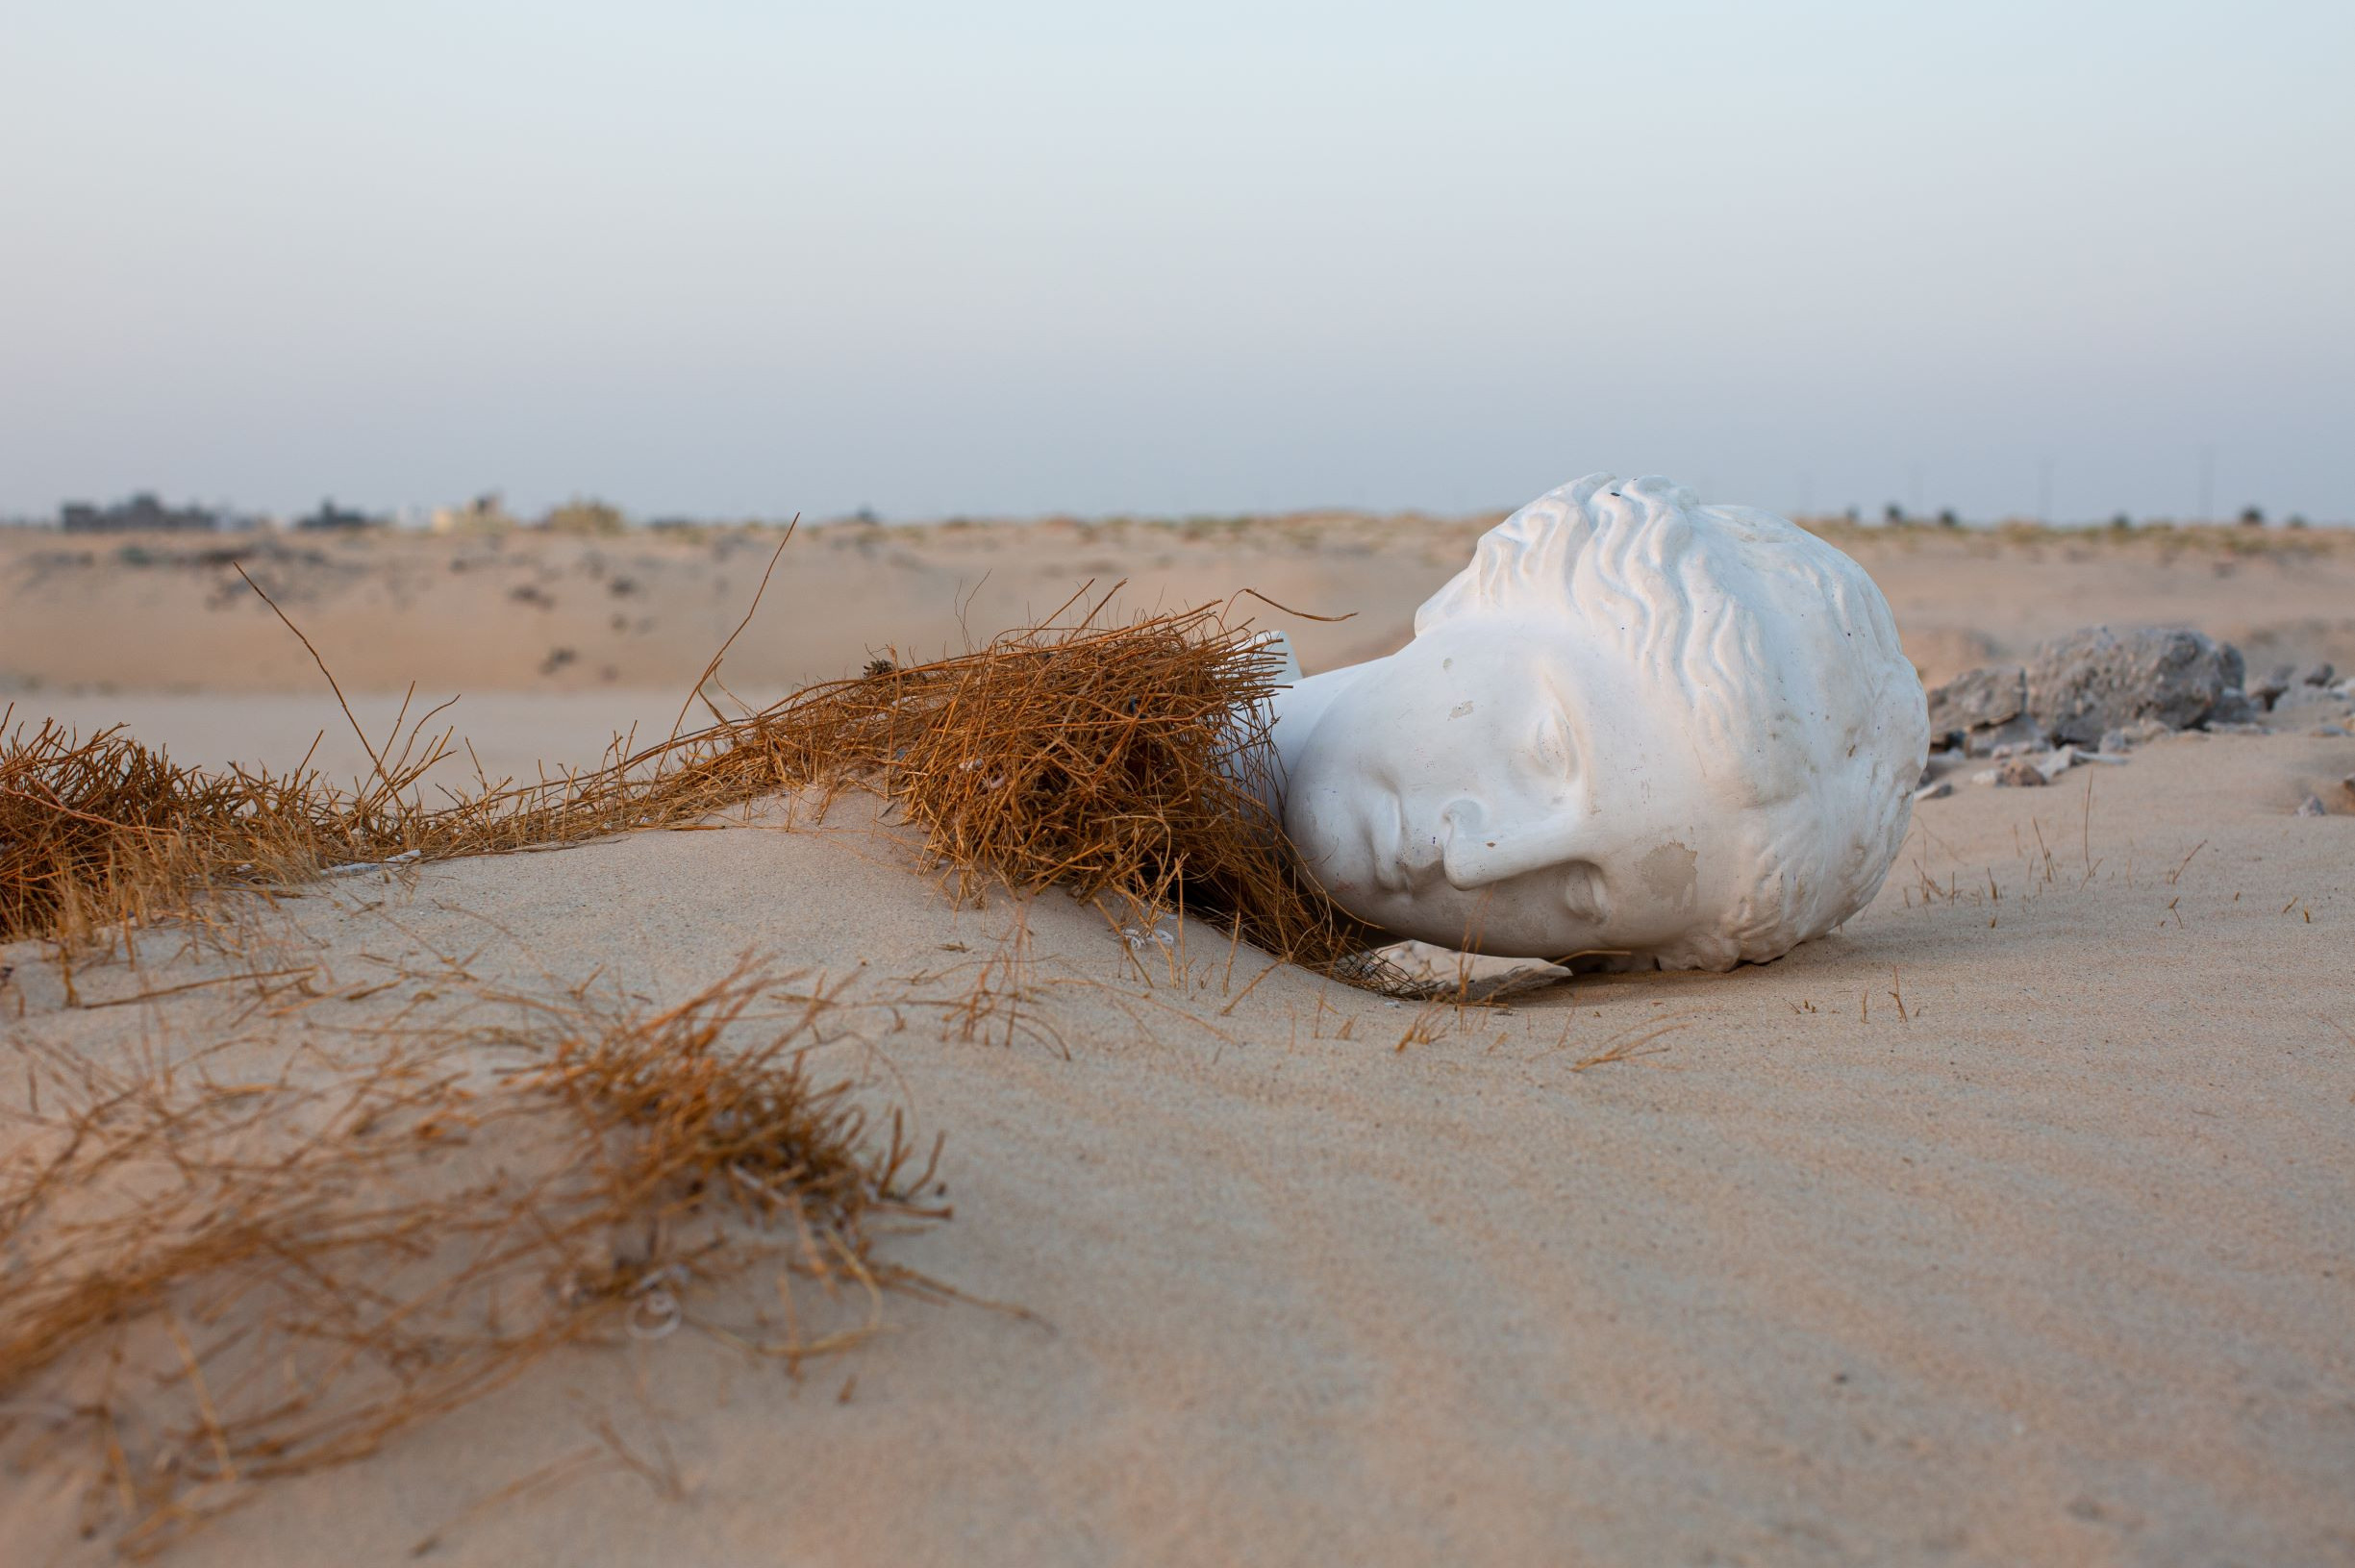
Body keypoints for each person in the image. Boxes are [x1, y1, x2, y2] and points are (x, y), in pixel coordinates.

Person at [1266, 474, 1927, 969]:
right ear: (1481, 594)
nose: (1469, 861)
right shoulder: (1164, 766)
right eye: (1546, 750)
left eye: (1580, 897)